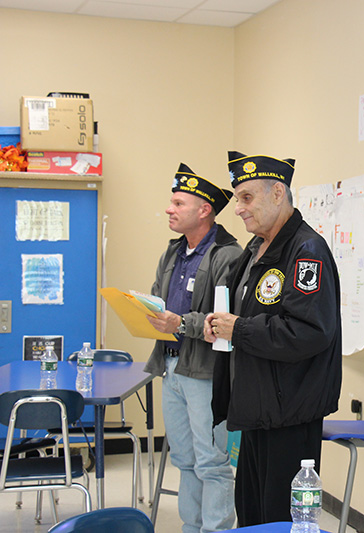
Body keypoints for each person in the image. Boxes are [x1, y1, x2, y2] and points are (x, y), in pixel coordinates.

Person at [205, 151, 342, 526]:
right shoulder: (255, 248)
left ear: (278, 193)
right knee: (252, 515)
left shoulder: (305, 251)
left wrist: (240, 329)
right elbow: (248, 314)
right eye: (237, 198)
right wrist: (218, 325)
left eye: (246, 197)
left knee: (281, 519)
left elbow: (309, 332)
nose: (237, 209)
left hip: (289, 412)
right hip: (257, 406)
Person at [144, 163, 241, 533]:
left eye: (177, 203)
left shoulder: (227, 255)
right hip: (172, 368)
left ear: (204, 210)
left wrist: (181, 323)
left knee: (212, 463)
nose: (169, 209)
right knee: (185, 459)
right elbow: (158, 298)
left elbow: (227, 320)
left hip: (205, 374)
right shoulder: (173, 252)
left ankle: (215, 529)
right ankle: (192, 527)